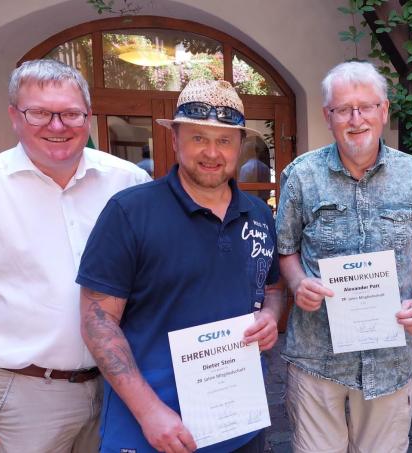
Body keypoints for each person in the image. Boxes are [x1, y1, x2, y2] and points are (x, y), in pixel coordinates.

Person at [76, 78, 283, 453]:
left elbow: (271, 289)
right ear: (175, 140)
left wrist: (270, 315)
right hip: (153, 430)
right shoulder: (129, 212)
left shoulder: (258, 215)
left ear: (239, 145)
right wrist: (148, 411)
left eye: (224, 140)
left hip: (239, 422)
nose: (212, 152)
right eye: (198, 137)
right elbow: (97, 320)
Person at [0, 59, 151, 452]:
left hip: (120, 386)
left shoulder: (129, 182)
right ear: (14, 116)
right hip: (24, 395)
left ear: (89, 117)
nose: (57, 126)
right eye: (40, 113)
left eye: (69, 113)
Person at [275, 60, 412, 453]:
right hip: (318, 360)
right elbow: (286, 251)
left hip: (389, 361)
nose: (356, 119)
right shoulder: (302, 175)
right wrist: (299, 282)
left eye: (366, 106)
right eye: (343, 109)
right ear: (327, 116)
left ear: (384, 110)